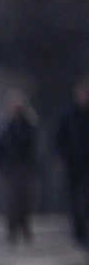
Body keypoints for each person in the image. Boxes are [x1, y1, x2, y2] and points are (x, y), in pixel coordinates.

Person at [0, 91, 41, 246]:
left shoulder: (29, 126)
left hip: (25, 167)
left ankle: (25, 228)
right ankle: (12, 230)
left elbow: (34, 148)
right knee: (11, 201)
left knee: (25, 200)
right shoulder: (4, 126)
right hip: (9, 168)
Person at [55, 78, 89, 250]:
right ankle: (78, 231)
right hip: (72, 163)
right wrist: (59, 157)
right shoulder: (68, 115)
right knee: (74, 198)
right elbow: (59, 139)